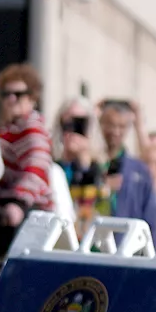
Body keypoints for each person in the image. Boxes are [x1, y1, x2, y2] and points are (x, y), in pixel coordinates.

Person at [0, 64, 55, 260]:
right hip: (4, 208)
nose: (10, 99)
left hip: (28, 213)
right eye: (5, 94)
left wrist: (19, 203)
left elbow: (37, 169)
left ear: (32, 97)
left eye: (17, 94)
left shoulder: (32, 127)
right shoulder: (9, 129)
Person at [98, 99, 156, 238]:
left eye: (121, 126)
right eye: (111, 125)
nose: (116, 131)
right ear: (102, 125)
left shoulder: (139, 171)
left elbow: (151, 222)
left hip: (127, 249)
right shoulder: (91, 165)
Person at [55, 97, 108, 236]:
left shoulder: (104, 168)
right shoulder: (54, 169)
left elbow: (103, 207)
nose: (72, 132)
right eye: (66, 125)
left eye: (79, 124)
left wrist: (85, 159)